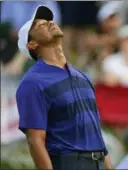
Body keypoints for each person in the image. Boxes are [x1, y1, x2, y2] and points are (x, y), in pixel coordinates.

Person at [16, 6, 112, 170]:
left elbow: (96, 131)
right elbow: (36, 141)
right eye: (40, 25)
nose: (49, 23)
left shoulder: (82, 76)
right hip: (70, 164)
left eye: (49, 20)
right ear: (32, 44)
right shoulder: (32, 83)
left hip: (99, 162)